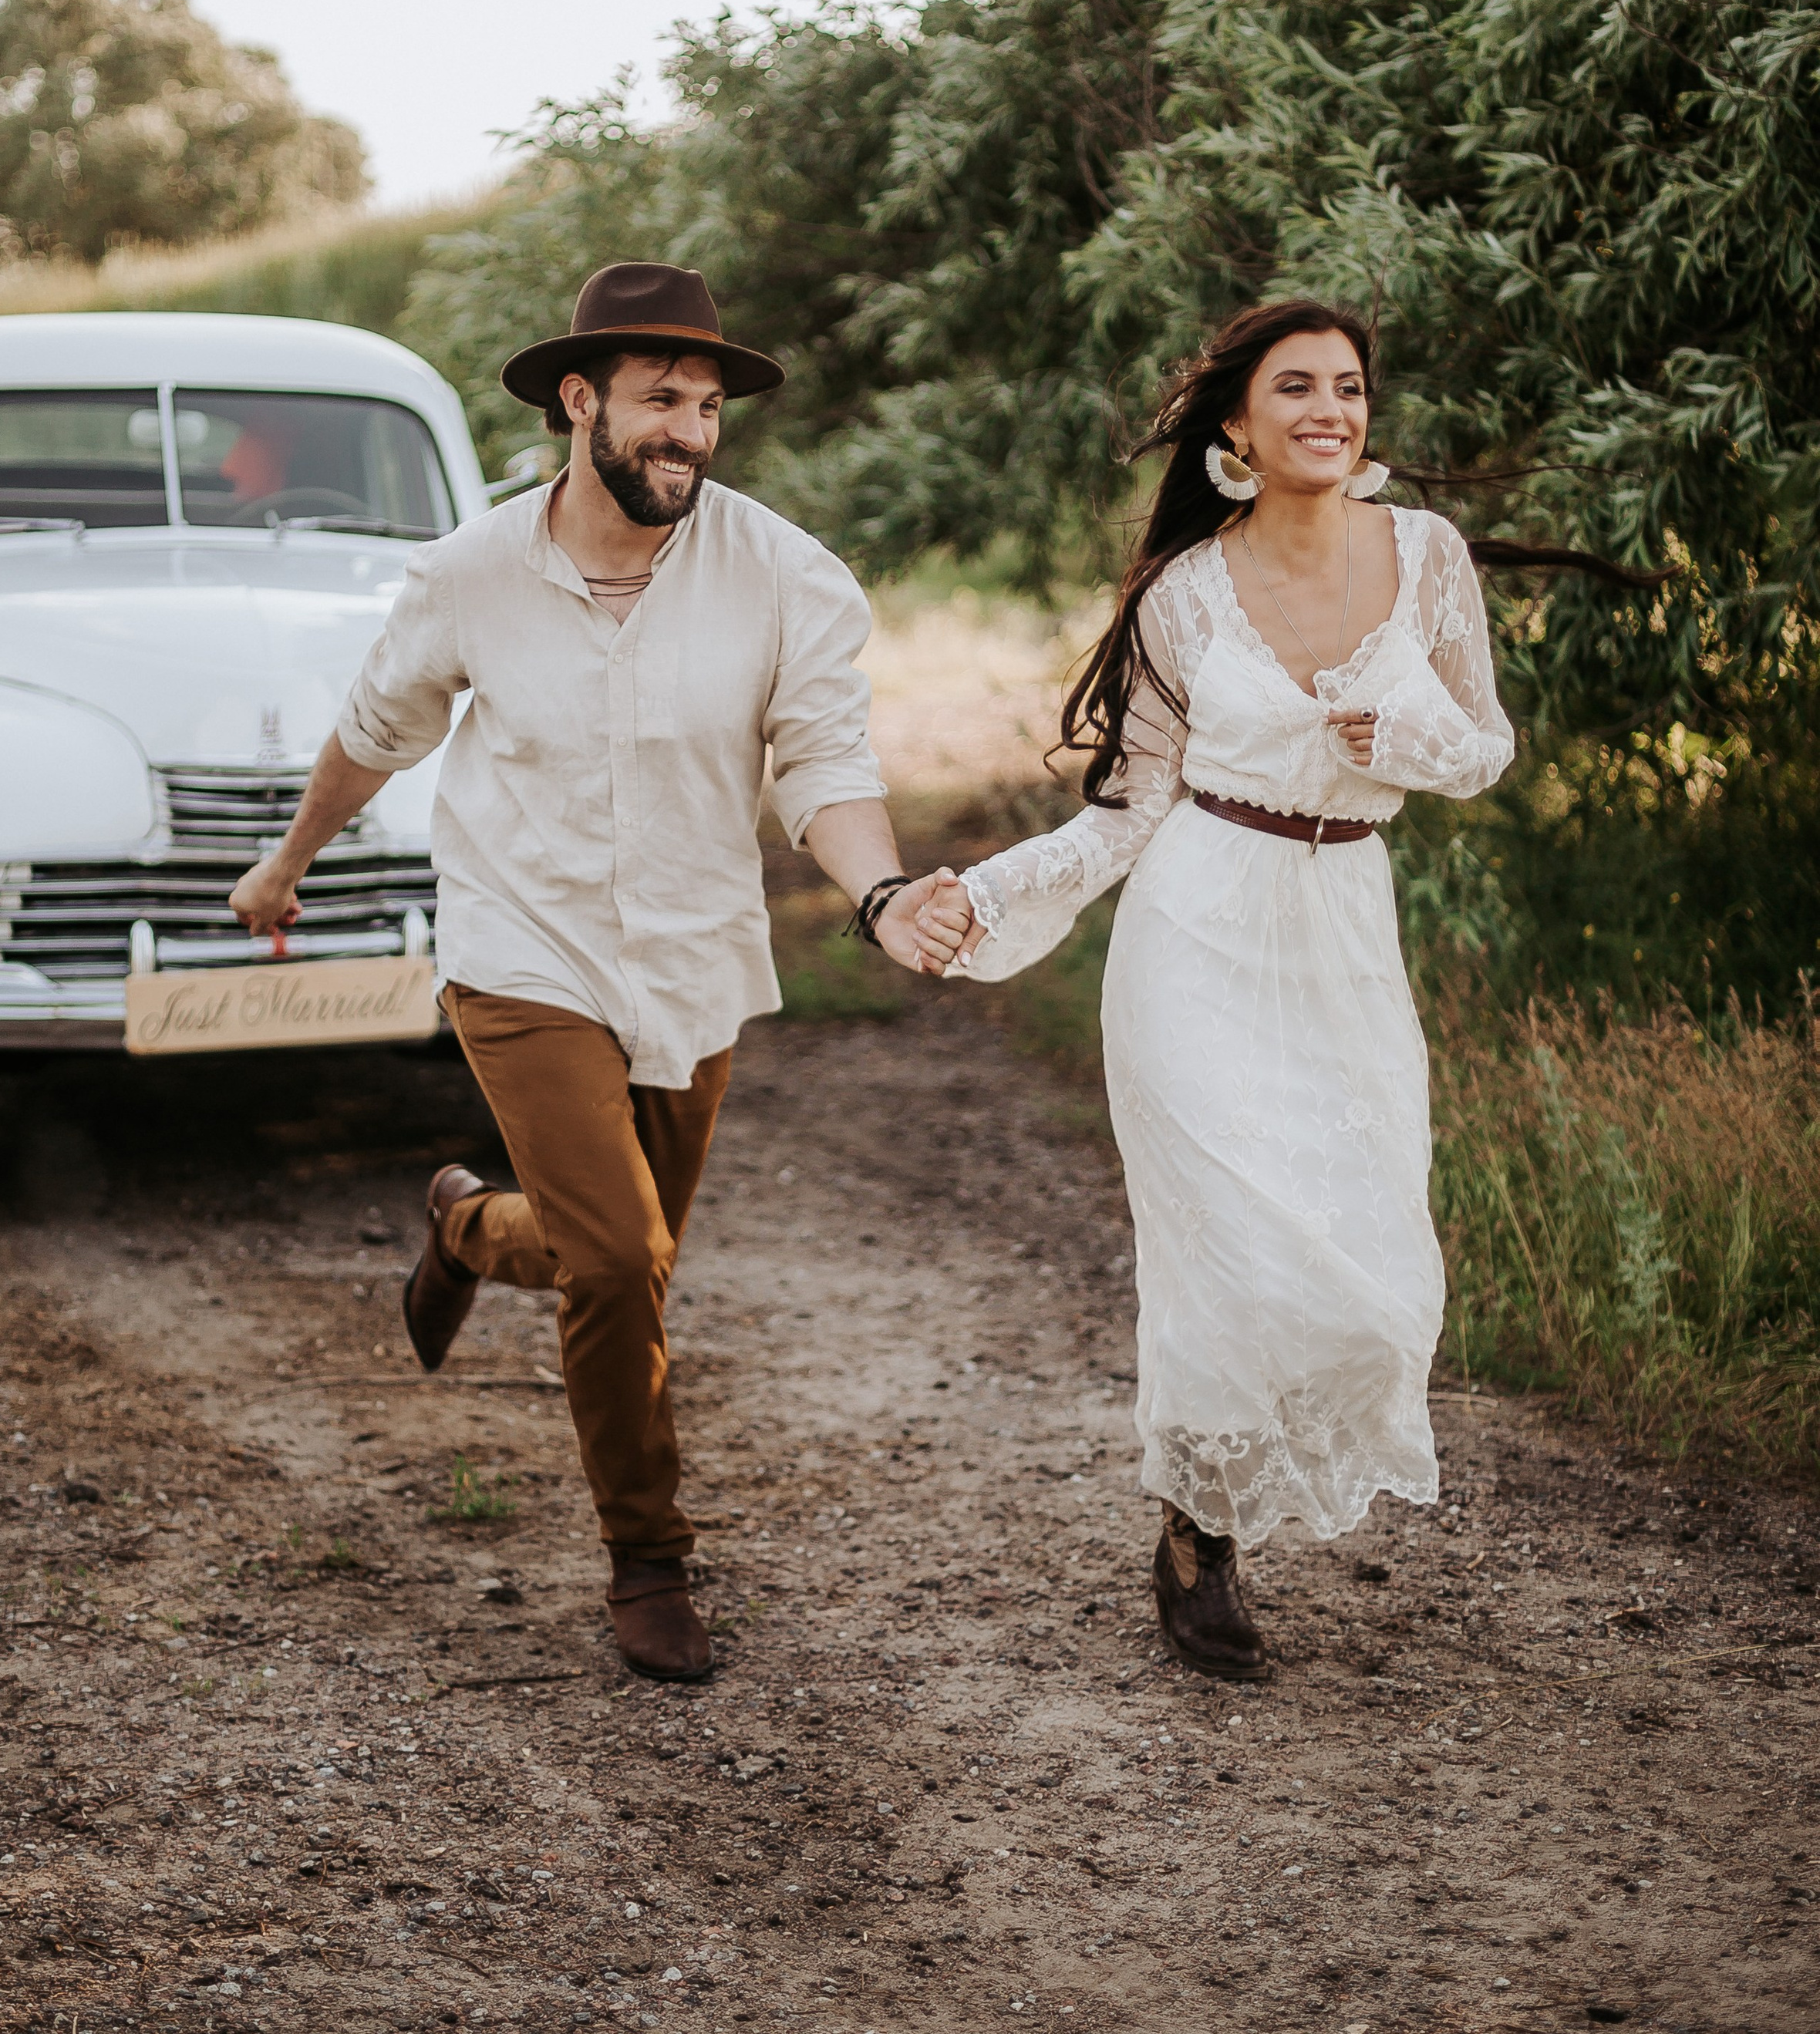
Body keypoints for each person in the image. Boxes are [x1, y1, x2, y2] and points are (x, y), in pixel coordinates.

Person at [230, 261, 949, 1684]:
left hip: (690, 953)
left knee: (608, 1254)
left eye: (705, 405)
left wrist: (876, 888)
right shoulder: (472, 573)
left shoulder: (787, 576)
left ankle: (466, 1230)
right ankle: (650, 1558)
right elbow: (379, 728)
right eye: (658, 401)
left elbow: (823, 759)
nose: (688, 429)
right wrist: (287, 861)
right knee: (621, 1260)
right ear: (581, 401)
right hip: (523, 942)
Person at [914, 300, 1514, 1681]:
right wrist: (989, 894)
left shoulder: (1427, 555)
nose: (1329, 410)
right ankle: (1200, 1534)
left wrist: (1400, 731)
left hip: (1344, 930)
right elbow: (1129, 812)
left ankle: (1225, 1499)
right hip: (1198, 929)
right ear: (1235, 426)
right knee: (1225, 1259)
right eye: (1294, 387)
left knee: (1363, 1278)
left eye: (1350, 388)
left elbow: (1481, 746)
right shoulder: (1184, 595)